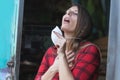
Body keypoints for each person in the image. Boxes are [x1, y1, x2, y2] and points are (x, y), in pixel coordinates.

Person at [35, 3, 101, 80]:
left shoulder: (89, 50)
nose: (68, 13)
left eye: (75, 13)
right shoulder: (51, 51)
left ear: (84, 26)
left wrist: (62, 55)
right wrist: (54, 68)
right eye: (66, 12)